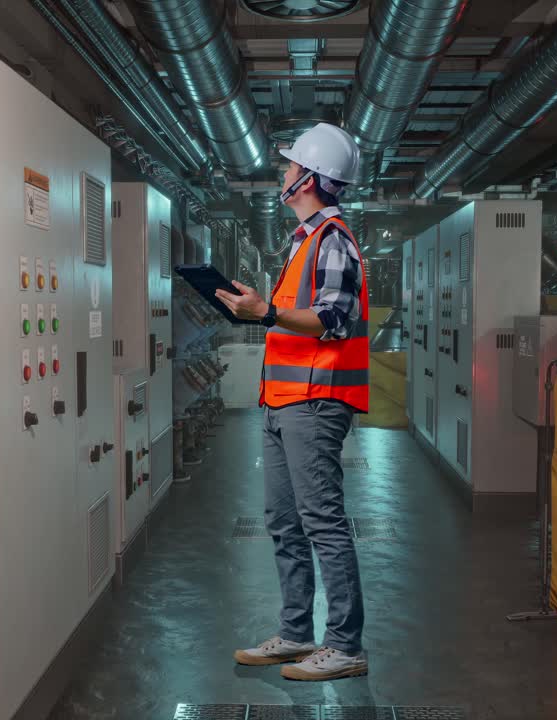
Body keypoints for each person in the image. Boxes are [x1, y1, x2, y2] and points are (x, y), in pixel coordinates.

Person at [215, 123, 370, 682]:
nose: (282, 174)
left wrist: (268, 314)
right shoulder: (304, 240)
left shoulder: (331, 238)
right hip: (283, 401)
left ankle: (345, 645)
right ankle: (298, 632)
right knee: (284, 521)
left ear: (309, 178)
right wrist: (256, 311)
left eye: (289, 166)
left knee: (322, 522)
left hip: (315, 401)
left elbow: (332, 320)